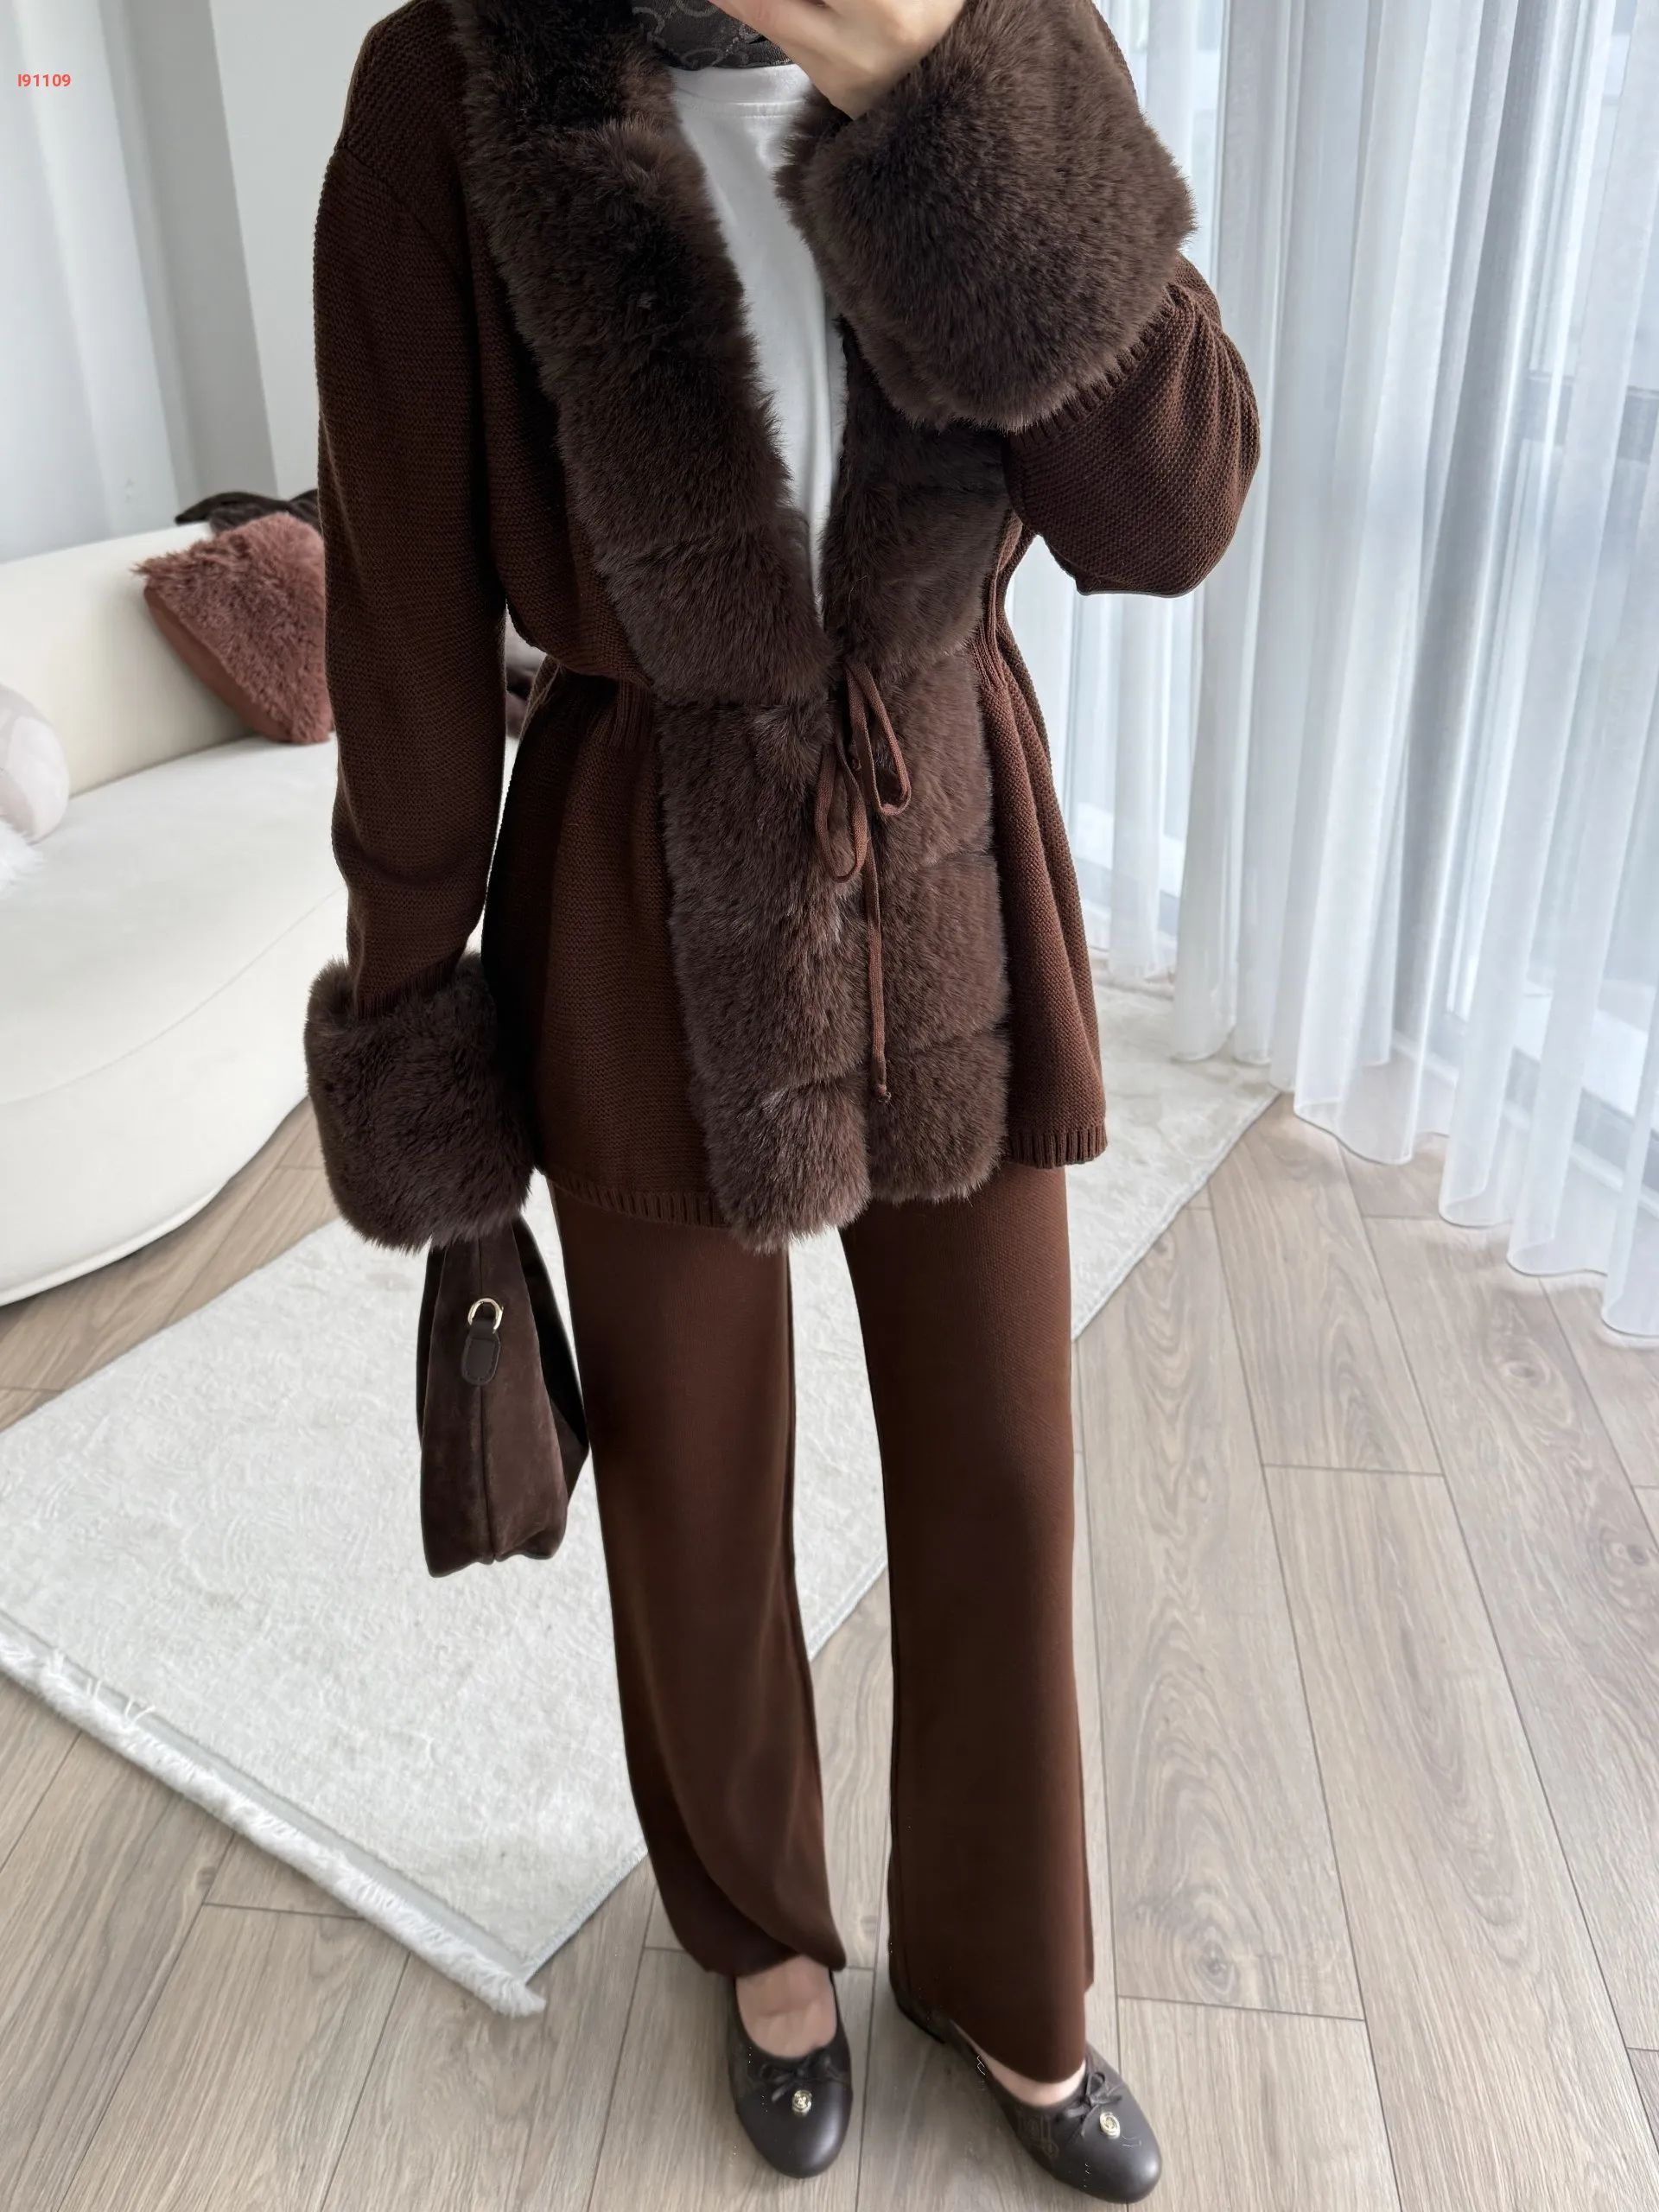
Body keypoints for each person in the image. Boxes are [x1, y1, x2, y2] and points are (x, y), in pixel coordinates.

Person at [303, 0, 1257, 2195]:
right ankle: (761, 1938)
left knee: (1004, 1464)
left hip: (944, 833)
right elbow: (406, 620)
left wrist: (945, 92)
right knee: (695, 1486)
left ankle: (1013, 1978)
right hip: (635, 870)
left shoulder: (1006, 36)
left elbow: (1175, 512)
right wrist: (418, 1010)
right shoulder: (448, 81)